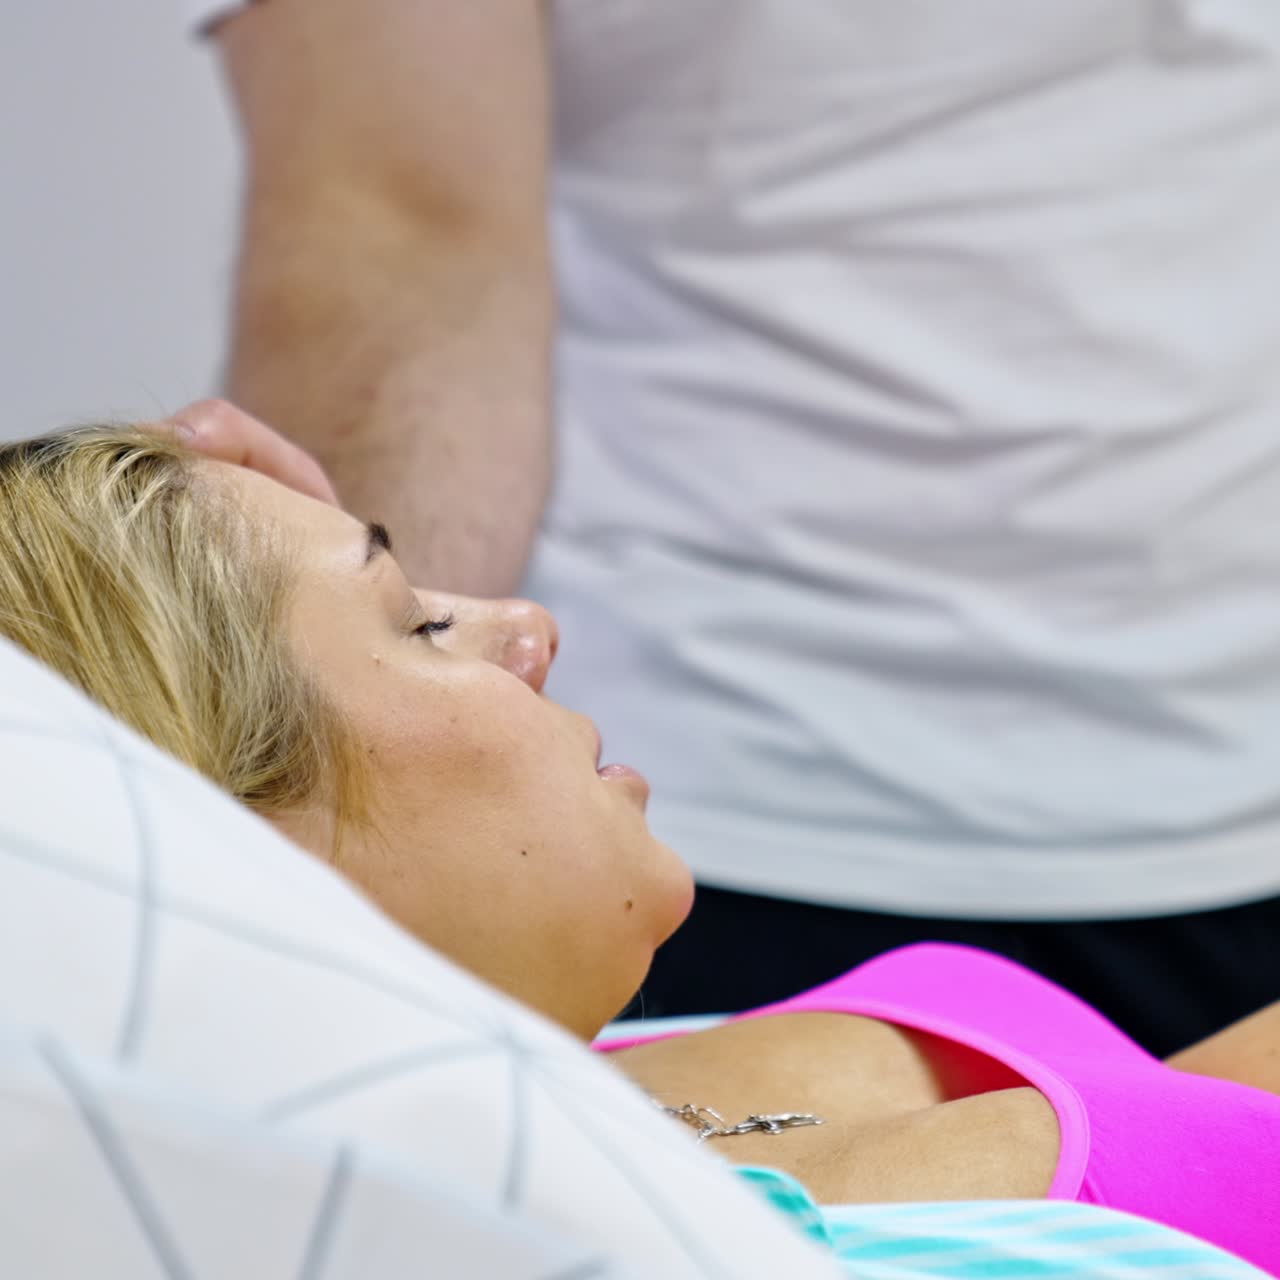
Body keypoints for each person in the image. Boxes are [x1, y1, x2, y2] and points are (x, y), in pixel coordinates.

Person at [192, 0, 1280, 1053]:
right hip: (711, 809)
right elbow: (404, 232)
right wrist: (337, 826)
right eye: (420, 625)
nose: (521, 634)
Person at [0, 408, 1275, 1271]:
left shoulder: (587, 1061)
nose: (527, 622)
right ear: (233, 833)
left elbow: (1197, 1113)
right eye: (418, 626)